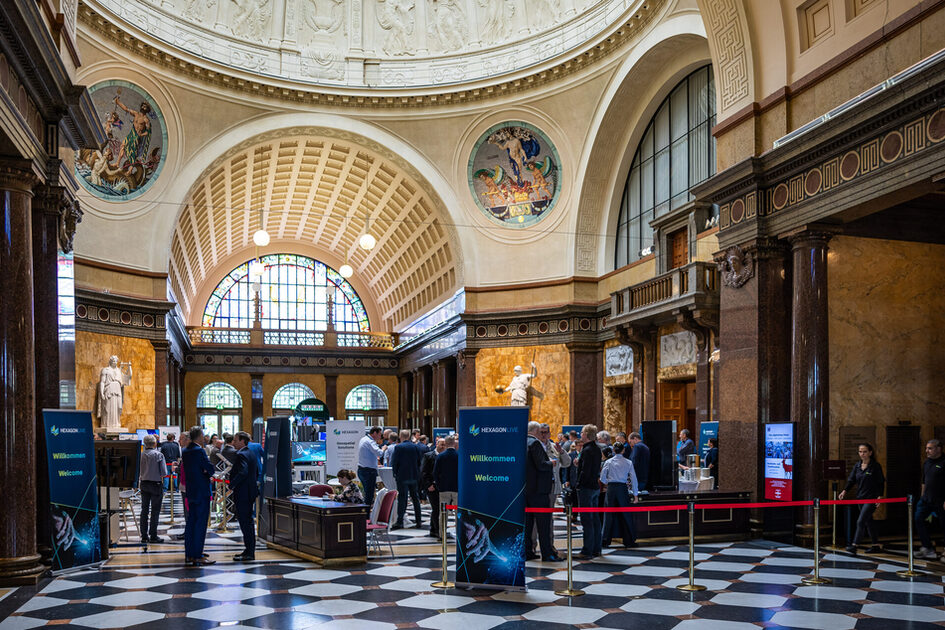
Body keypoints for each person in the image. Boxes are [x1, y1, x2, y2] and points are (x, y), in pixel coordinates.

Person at [838, 442, 884, 554]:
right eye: (860, 452)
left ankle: (855, 545)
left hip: (871, 498)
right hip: (860, 497)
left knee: (861, 521)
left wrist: (879, 496)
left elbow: (881, 482)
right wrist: (844, 491)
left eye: (865, 451)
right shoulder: (857, 466)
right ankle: (875, 545)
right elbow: (851, 480)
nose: (862, 454)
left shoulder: (875, 466)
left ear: (870, 453)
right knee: (869, 521)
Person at [525, 421, 561, 562]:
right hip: (539, 490)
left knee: (527, 525)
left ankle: (528, 551)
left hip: (526, 490)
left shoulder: (522, 442)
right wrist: (551, 463)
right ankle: (547, 553)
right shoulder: (534, 443)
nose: (542, 434)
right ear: (535, 431)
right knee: (543, 525)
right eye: (540, 431)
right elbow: (541, 465)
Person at [182, 426, 216, 566]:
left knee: (191, 523)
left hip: (191, 491)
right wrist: (207, 473)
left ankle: (190, 553)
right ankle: (197, 555)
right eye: (202, 434)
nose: (204, 437)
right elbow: (210, 469)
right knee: (200, 524)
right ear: (199, 436)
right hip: (201, 491)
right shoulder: (199, 450)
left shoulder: (186, 451)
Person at [600, 441, 640, 549]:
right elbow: (634, 479)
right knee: (626, 514)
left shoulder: (608, 462)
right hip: (622, 488)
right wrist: (635, 494)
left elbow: (602, 478)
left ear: (613, 450)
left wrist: (608, 482)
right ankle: (629, 540)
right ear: (623, 450)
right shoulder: (628, 462)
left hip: (611, 488)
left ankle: (605, 540)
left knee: (608, 515)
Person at [229, 431, 259, 561]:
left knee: (245, 523)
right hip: (250, 491)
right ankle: (248, 550)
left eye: (235, 440)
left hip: (243, 493)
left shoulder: (241, 454)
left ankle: (249, 552)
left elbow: (243, 472)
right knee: (248, 522)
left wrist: (232, 484)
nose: (233, 443)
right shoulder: (250, 453)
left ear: (242, 441)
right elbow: (256, 471)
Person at [914, 439, 945, 560]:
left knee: (944, 525)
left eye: (930, 448)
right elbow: (924, 481)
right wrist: (922, 496)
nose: (927, 450)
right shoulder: (927, 463)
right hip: (926, 500)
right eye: (926, 448)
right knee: (918, 519)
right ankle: (927, 547)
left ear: (939, 448)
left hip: (941, 500)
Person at [576, 423, 603, 559]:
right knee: (595, 519)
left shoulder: (586, 450)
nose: (580, 434)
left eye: (581, 433)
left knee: (587, 519)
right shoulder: (597, 449)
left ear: (586, 435)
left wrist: (578, 484)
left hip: (586, 487)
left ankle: (587, 549)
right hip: (595, 486)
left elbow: (585, 471)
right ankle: (596, 548)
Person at [391, 429, 424, 529]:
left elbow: (394, 462)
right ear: (409, 436)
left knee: (402, 498)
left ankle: (400, 521)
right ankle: (419, 521)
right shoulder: (415, 447)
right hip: (414, 475)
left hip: (402, 476)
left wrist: (395, 474)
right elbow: (419, 461)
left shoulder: (398, 447)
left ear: (400, 436)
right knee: (415, 498)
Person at [138, 434, 166, 544]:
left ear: (144, 443)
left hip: (144, 483)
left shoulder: (140, 455)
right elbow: (164, 472)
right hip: (156, 484)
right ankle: (153, 535)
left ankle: (144, 536)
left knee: (144, 510)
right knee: (155, 511)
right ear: (154, 444)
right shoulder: (159, 455)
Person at [96, 356, 131, 430]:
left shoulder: (119, 371)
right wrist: (101, 393)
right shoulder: (105, 370)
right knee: (108, 407)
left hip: (117, 391)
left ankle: (116, 423)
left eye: (116, 361)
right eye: (113, 361)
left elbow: (126, 379)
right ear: (110, 361)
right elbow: (102, 382)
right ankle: (107, 424)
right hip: (109, 390)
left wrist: (129, 367)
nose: (114, 362)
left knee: (118, 407)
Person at [422, 438, 446, 538]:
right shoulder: (428, 456)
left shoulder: (445, 456)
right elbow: (424, 472)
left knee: (438, 509)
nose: (443, 447)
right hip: (432, 487)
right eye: (442, 444)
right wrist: (428, 485)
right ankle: (437, 530)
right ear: (437, 444)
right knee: (436, 509)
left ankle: (433, 529)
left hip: (443, 487)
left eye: (445, 445)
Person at [358, 427, 386, 509]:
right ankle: (366, 516)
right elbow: (379, 453)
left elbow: (367, 456)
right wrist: (383, 448)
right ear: (374, 433)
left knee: (367, 494)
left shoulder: (363, 439)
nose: (380, 437)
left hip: (362, 470)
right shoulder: (370, 442)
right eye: (380, 434)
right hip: (368, 472)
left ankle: (365, 514)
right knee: (369, 496)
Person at [434, 434, 459, 510]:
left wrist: (438, 485)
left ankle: (443, 522)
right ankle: (457, 521)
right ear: (454, 443)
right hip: (457, 487)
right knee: (457, 509)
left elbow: (435, 472)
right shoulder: (460, 455)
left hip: (444, 487)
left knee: (443, 510)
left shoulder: (440, 456)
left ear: (446, 443)